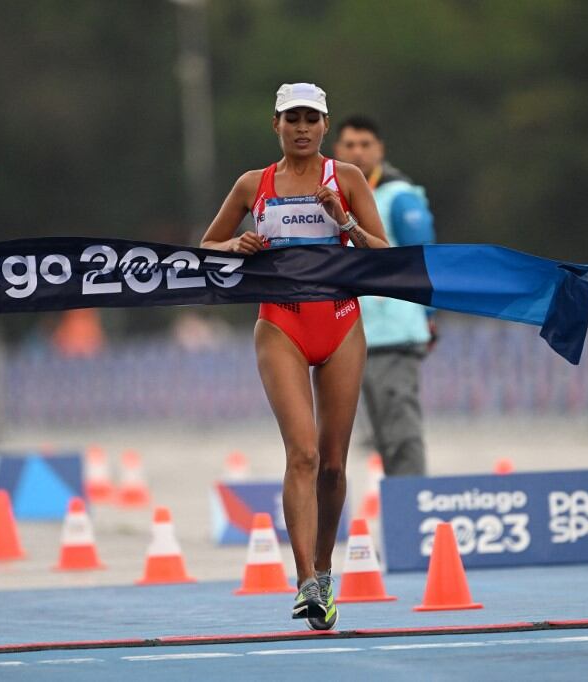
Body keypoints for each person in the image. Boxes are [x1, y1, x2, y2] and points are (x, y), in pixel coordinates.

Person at [200, 83, 388, 630]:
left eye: (311, 118)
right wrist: (235, 245)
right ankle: (305, 579)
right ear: (276, 125)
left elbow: (388, 257)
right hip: (280, 324)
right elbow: (203, 249)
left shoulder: (345, 179)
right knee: (302, 454)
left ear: (325, 126)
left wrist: (345, 221)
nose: (302, 127)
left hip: (340, 324)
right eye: (292, 119)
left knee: (332, 465)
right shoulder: (252, 184)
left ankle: (325, 571)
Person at [334, 116, 435, 476]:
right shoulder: (337, 196)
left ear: (380, 150)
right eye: (350, 145)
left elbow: (424, 259)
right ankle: (403, 514)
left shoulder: (398, 196)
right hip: (354, 333)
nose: (357, 152)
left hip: (394, 332)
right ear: (337, 151)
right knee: (381, 438)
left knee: (401, 436)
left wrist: (427, 317)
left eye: (365, 144)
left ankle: (412, 510)